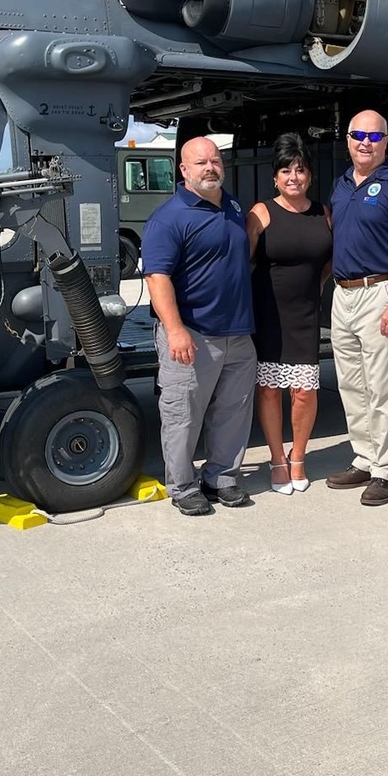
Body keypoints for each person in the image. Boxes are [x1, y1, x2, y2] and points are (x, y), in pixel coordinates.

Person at [142, 136, 256, 516]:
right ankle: (182, 485)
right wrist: (175, 331)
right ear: (184, 170)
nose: (210, 167)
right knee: (182, 415)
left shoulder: (233, 206)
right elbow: (157, 279)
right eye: (201, 162)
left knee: (233, 411)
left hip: (238, 333)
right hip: (191, 333)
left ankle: (221, 477)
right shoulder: (169, 217)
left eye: (215, 160)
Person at [326, 110, 388, 506]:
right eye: (357, 135)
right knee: (351, 383)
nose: (365, 142)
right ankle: (364, 458)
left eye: (374, 136)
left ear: (386, 143)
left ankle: (385, 470)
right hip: (343, 293)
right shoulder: (341, 184)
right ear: (348, 140)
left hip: (381, 291)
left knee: (383, 386)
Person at [246, 134, 332, 495]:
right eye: (286, 170)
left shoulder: (323, 213)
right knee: (268, 390)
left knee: (304, 392)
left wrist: (315, 286)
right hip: (268, 312)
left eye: (300, 170)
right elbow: (244, 262)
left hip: (306, 314)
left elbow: (329, 261)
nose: (294, 177)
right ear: (275, 178)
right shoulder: (260, 213)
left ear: (310, 175)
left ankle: (299, 457)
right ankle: (277, 459)